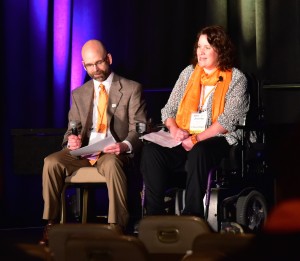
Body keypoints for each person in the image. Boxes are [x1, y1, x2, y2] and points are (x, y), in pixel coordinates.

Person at [39, 39, 147, 245]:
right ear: (83, 65)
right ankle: (51, 224)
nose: (95, 69)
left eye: (99, 63)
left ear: (109, 59)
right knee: (51, 162)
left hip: (112, 151)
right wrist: (71, 140)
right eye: (89, 65)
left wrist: (124, 145)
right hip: (85, 151)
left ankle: (117, 227)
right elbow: (72, 128)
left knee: (113, 164)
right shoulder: (79, 93)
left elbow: (140, 128)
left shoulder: (132, 89)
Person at [140, 25, 249, 218]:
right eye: (199, 46)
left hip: (218, 139)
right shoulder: (188, 73)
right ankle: (153, 216)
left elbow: (227, 122)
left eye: (207, 47)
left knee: (200, 150)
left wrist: (196, 139)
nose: (201, 52)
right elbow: (168, 110)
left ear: (221, 50)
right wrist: (174, 130)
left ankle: (192, 215)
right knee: (151, 151)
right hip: (184, 137)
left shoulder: (237, 78)